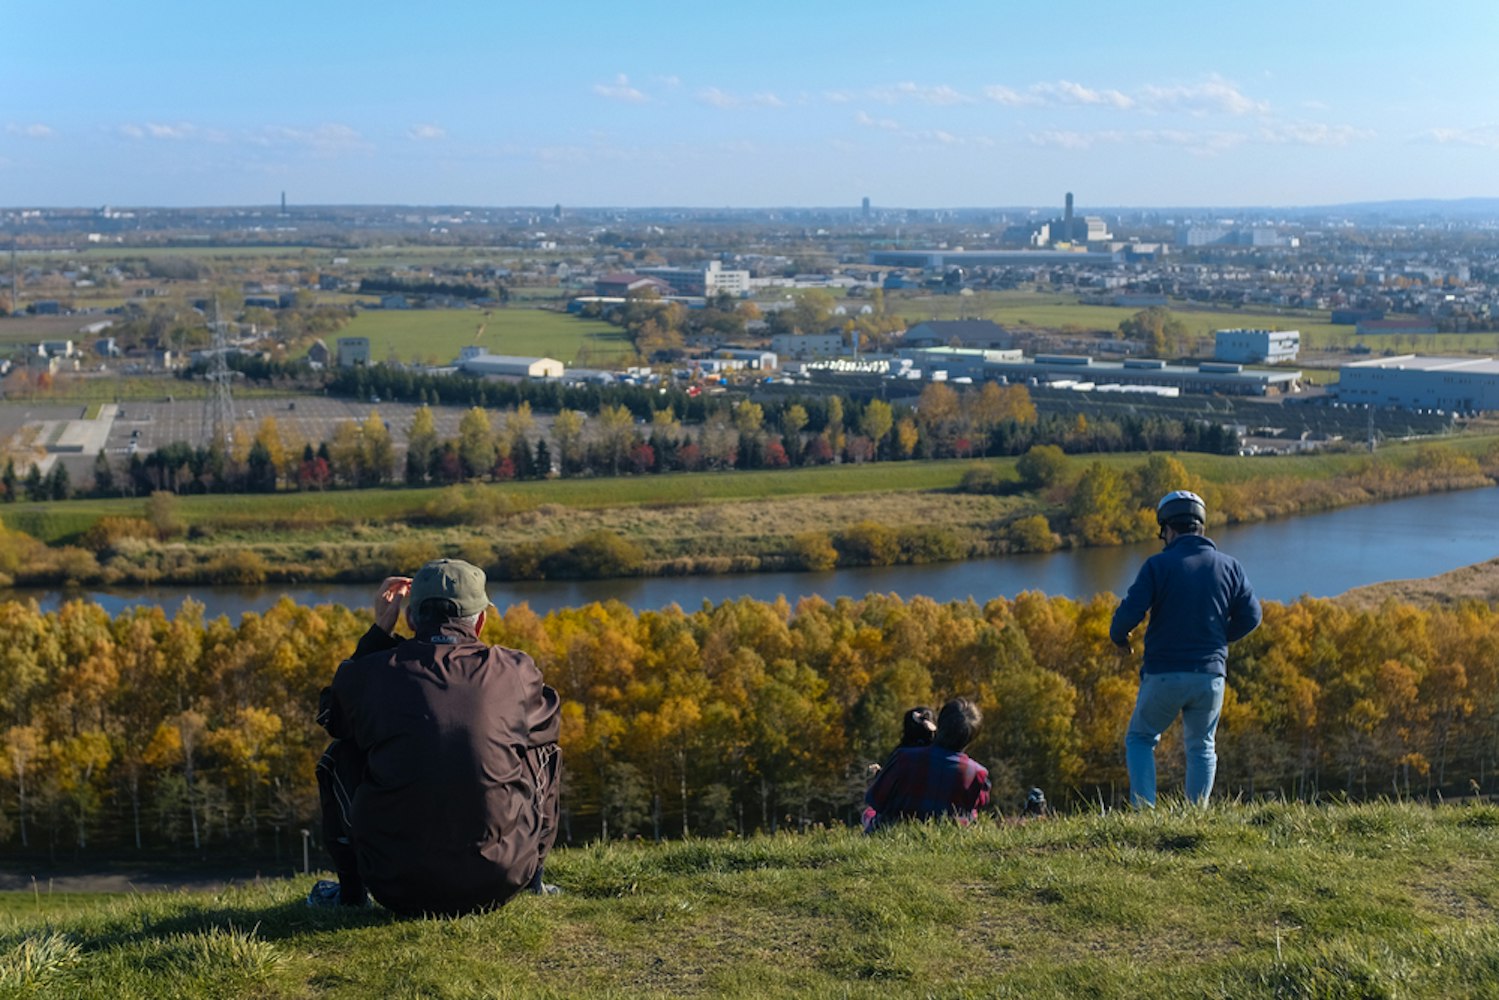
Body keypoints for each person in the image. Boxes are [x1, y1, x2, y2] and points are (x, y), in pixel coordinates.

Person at [310, 558, 562, 914]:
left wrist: (379, 632)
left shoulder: (373, 672)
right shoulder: (514, 670)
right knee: (542, 750)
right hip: (503, 879)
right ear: (480, 621)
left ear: (411, 619)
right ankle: (535, 879)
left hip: (395, 885)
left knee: (341, 753)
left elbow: (331, 715)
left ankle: (351, 895)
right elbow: (549, 722)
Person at [1110, 490, 1261, 808]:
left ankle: (1144, 812)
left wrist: (1119, 636)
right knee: (1202, 746)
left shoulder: (1157, 565)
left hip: (1164, 674)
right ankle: (1196, 815)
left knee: (1140, 738)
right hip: (1209, 677)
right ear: (1201, 526)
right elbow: (1252, 616)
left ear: (1167, 528)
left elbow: (1129, 612)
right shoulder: (1229, 567)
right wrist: (1218, 640)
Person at [864, 698, 991, 829]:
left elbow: (876, 800)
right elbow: (975, 806)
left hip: (895, 831)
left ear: (940, 725)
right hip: (947, 836)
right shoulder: (978, 774)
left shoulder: (904, 758)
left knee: (869, 813)